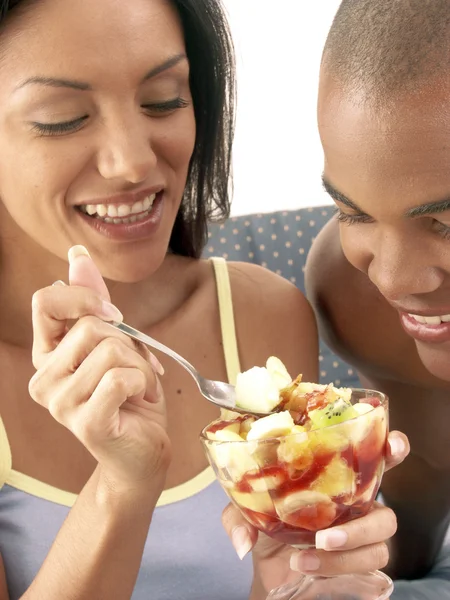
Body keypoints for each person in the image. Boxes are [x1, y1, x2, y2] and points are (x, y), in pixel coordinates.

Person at [0, 0, 407, 598]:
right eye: (63, 118)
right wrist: (123, 482)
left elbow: (282, 575)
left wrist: (304, 585)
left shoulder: (261, 313)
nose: (135, 161)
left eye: (165, 99)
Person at [306, 0, 450, 597]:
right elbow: (422, 491)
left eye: (444, 222)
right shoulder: (352, 295)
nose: (392, 281)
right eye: (353, 213)